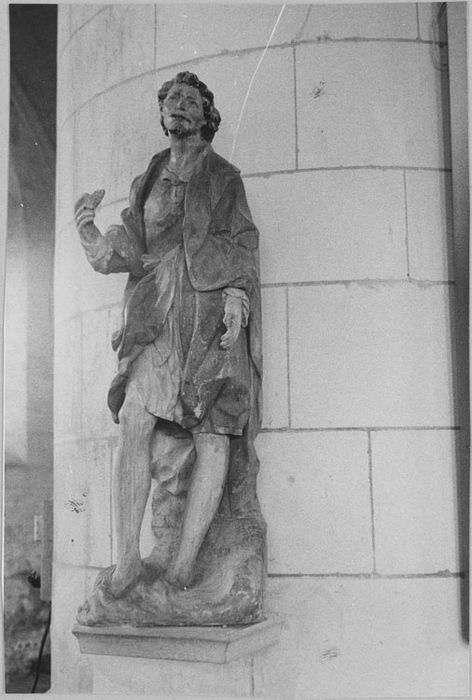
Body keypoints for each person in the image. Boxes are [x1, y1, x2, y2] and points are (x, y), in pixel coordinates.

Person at [74, 71, 262, 597]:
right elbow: (128, 247)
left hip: (205, 318)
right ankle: (128, 559)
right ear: (162, 116)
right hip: (157, 312)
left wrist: (237, 297)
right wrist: (89, 231)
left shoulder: (224, 177)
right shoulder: (148, 180)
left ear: (206, 116)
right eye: (171, 100)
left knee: (212, 433)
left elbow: (243, 243)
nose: (178, 106)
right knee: (134, 419)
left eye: (189, 100)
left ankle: (183, 566)